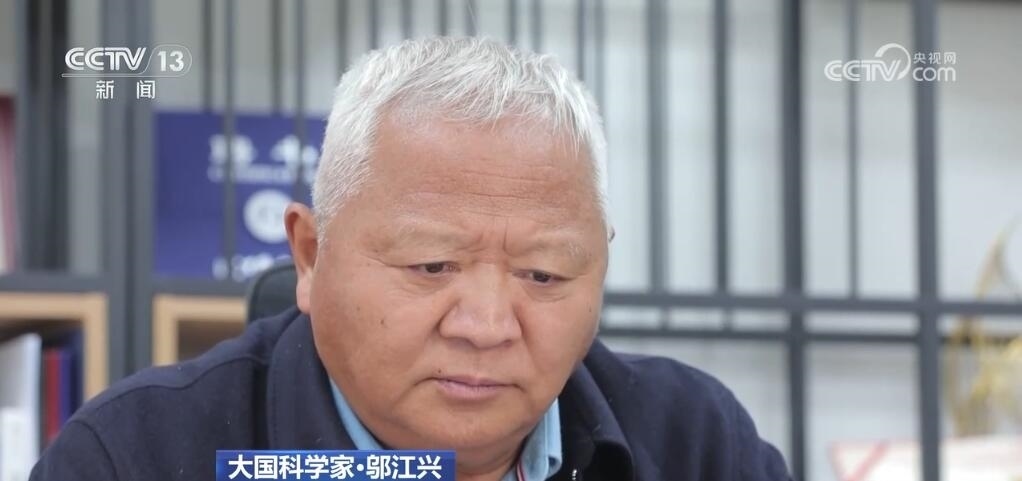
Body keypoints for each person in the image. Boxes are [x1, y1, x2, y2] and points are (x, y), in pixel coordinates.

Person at [31, 37, 791, 481]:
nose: (487, 325)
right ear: (310, 255)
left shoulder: (698, 444)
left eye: (544, 275)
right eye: (432, 265)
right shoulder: (137, 455)